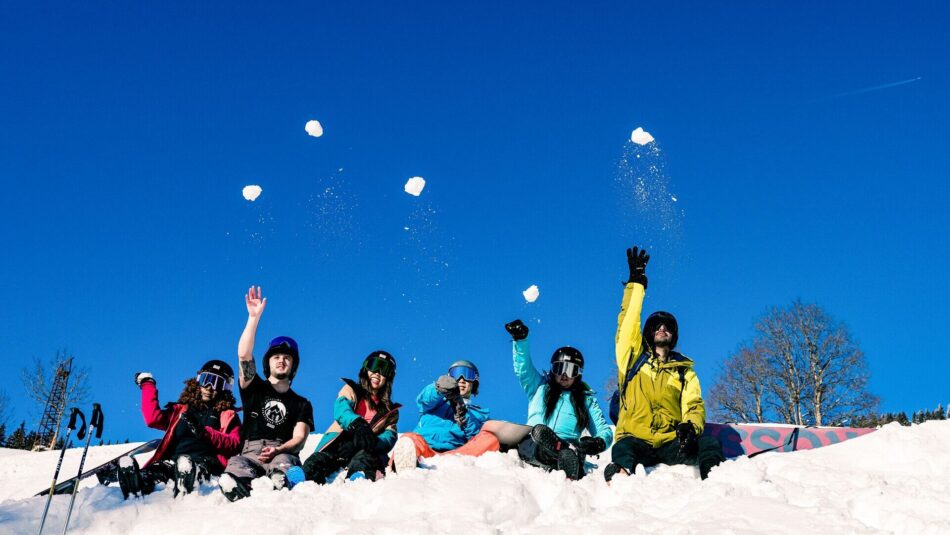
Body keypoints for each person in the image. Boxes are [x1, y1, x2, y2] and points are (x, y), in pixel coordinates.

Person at [606, 246, 724, 482]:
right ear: (648, 333)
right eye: (657, 325)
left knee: (709, 444)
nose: (663, 328)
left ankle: (714, 483)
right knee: (622, 448)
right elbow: (627, 324)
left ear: (674, 335)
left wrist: (690, 427)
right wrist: (636, 284)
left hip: (671, 441)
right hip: (636, 439)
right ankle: (619, 478)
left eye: (668, 326)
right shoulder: (632, 360)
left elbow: (694, 404)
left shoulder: (684, 372)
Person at [218, 286, 315, 501]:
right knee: (235, 468)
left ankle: (283, 481)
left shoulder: (302, 403)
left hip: (282, 451)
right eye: (276, 357)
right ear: (267, 363)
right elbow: (244, 355)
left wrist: (278, 449)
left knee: (284, 466)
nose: (281, 360)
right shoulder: (254, 387)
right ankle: (239, 488)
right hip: (249, 453)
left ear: (293, 366)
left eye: (287, 358)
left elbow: (299, 439)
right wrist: (253, 318)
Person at [503, 320, 613, 480]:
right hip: (535, 440)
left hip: (568, 444)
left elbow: (604, 430)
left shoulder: (585, 399)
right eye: (559, 368)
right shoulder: (539, 387)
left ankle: (567, 458)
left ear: (578, 374)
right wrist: (521, 340)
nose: (564, 375)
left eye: (571, 370)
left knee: (570, 452)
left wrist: (598, 443)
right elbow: (523, 369)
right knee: (532, 442)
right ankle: (558, 455)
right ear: (552, 369)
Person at [118, 360, 241, 498]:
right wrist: (148, 384)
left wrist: (204, 432)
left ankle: (189, 480)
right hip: (173, 461)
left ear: (225, 388)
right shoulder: (182, 410)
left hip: (206, 463)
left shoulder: (227, 415)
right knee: (159, 470)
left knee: (193, 466)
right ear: (198, 381)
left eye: (216, 383)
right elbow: (153, 419)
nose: (209, 387)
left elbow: (234, 444)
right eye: (206, 379)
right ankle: (138, 483)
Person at [300, 350, 401, 483]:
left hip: (365, 448)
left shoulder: (390, 410)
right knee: (318, 460)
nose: (378, 372)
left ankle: (358, 479)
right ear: (366, 368)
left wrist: (374, 441)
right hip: (339, 445)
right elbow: (341, 409)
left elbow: (390, 435)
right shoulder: (352, 390)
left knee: (365, 459)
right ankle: (303, 477)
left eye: (385, 369)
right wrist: (358, 423)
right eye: (374, 365)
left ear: (389, 377)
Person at [389, 360, 500, 473]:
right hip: (426, 449)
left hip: (457, 455)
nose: (461, 379)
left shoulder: (478, 413)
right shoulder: (437, 402)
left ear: (474, 383)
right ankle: (405, 466)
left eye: (468, 375)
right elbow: (424, 400)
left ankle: (410, 464)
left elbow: (474, 436)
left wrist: (463, 414)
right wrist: (438, 389)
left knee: (489, 439)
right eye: (456, 374)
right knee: (410, 439)